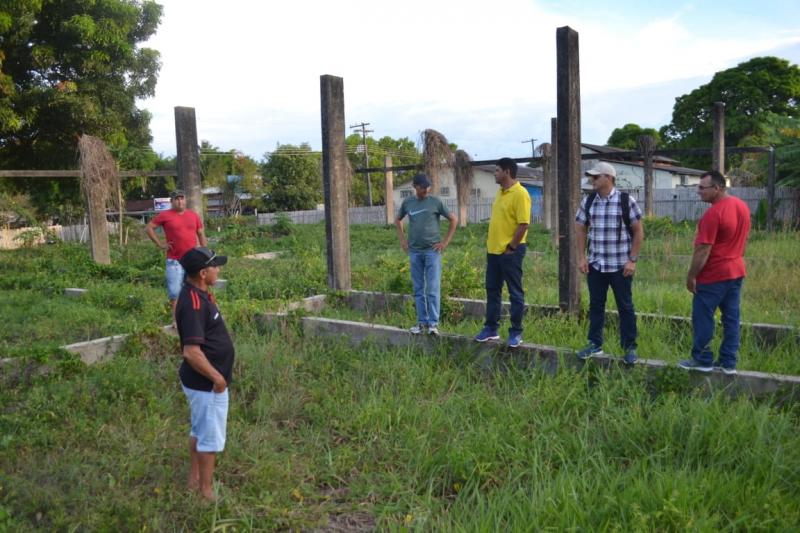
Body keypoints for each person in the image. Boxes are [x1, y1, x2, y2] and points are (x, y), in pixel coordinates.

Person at [175, 246, 233, 501]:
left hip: (204, 382)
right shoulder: (194, 303)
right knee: (209, 436)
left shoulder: (201, 294)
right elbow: (191, 352)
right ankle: (206, 492)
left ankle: (194, 480)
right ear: (202, 272)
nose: (218, 270)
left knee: (199, 430)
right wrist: (217, 378)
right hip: (205, 384)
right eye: (214, 266)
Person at [679, 170, 751, 374]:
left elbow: (703, 249)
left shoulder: (713, 214)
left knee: (703, 317)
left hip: (714, 275)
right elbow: (744, 237)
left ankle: (702, 359)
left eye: (702, 187)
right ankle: (728, 363)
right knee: (731, 318)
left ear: (717, 188)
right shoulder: (742, 206)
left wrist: (691, 276)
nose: (698, 191)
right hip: (736, 270)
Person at [574, 161, 644, 365]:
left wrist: (632, 260)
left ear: (609, 178)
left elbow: (639, 231)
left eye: (596, 177)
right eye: (591, 177)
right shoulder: (588, 202)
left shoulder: (625, 200)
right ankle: (595, 344)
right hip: (597, 264)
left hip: (620, 265)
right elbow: (580, 228)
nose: (592, 180)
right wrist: (581, 257)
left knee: (625, 306)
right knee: (596, 305)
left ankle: (629, 347)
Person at [474, 158, 531, 347]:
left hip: (510, 252)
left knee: (515, 292)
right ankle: (491, 328)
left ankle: (516, 332)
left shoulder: (520, 193)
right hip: (493, 251)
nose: (494, 173)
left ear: (507, 171)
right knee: (492, 290)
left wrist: (512, 247)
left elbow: (524, 224)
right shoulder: (500, 192)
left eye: (497, 170)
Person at [395, 173, 457, 335]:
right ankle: (422, 323)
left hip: (432, 252)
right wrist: (403, 240)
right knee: (418, 288)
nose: (426, 190)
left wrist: (444, 243)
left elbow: (453, 220)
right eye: (423, 187)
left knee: (432, 288)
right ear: (415, 187)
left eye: (428, 187)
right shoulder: (408, 203)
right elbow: (398, 220)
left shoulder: (435, 202)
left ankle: (433, 325)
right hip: (414, 252)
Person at [145, 190, 207, 316]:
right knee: (175, 292)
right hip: (175, 261)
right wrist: (160, 244)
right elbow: (149, 228)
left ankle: (196, 317)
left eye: (182, 198)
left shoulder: (193, 215)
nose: (180, 201)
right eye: (177, 199)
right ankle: (176, 320)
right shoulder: (165, 215)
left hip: (192, 260)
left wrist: (205, 254)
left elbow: (200, 234)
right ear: (172, 201)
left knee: (195, 289)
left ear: (185, 200)